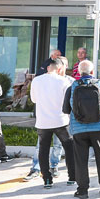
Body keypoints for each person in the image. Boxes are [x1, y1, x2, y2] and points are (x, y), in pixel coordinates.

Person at [62, 60, 100, 198]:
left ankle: (82, 190)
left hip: (79, 129)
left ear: (80, 72)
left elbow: (65, 109)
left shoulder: (72, 87)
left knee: (81, 160)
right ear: (92, 72)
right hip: (99, 128)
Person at [29, 58, 75, 189]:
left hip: (43, 121)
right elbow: (68, 101)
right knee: (69, 148)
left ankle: (47, 179)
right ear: (59, 69)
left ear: (48, 68)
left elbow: (34, 99)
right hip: (61, 120)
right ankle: (72, 176)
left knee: (43, 150)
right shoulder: (64, 81)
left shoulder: (36, 80)